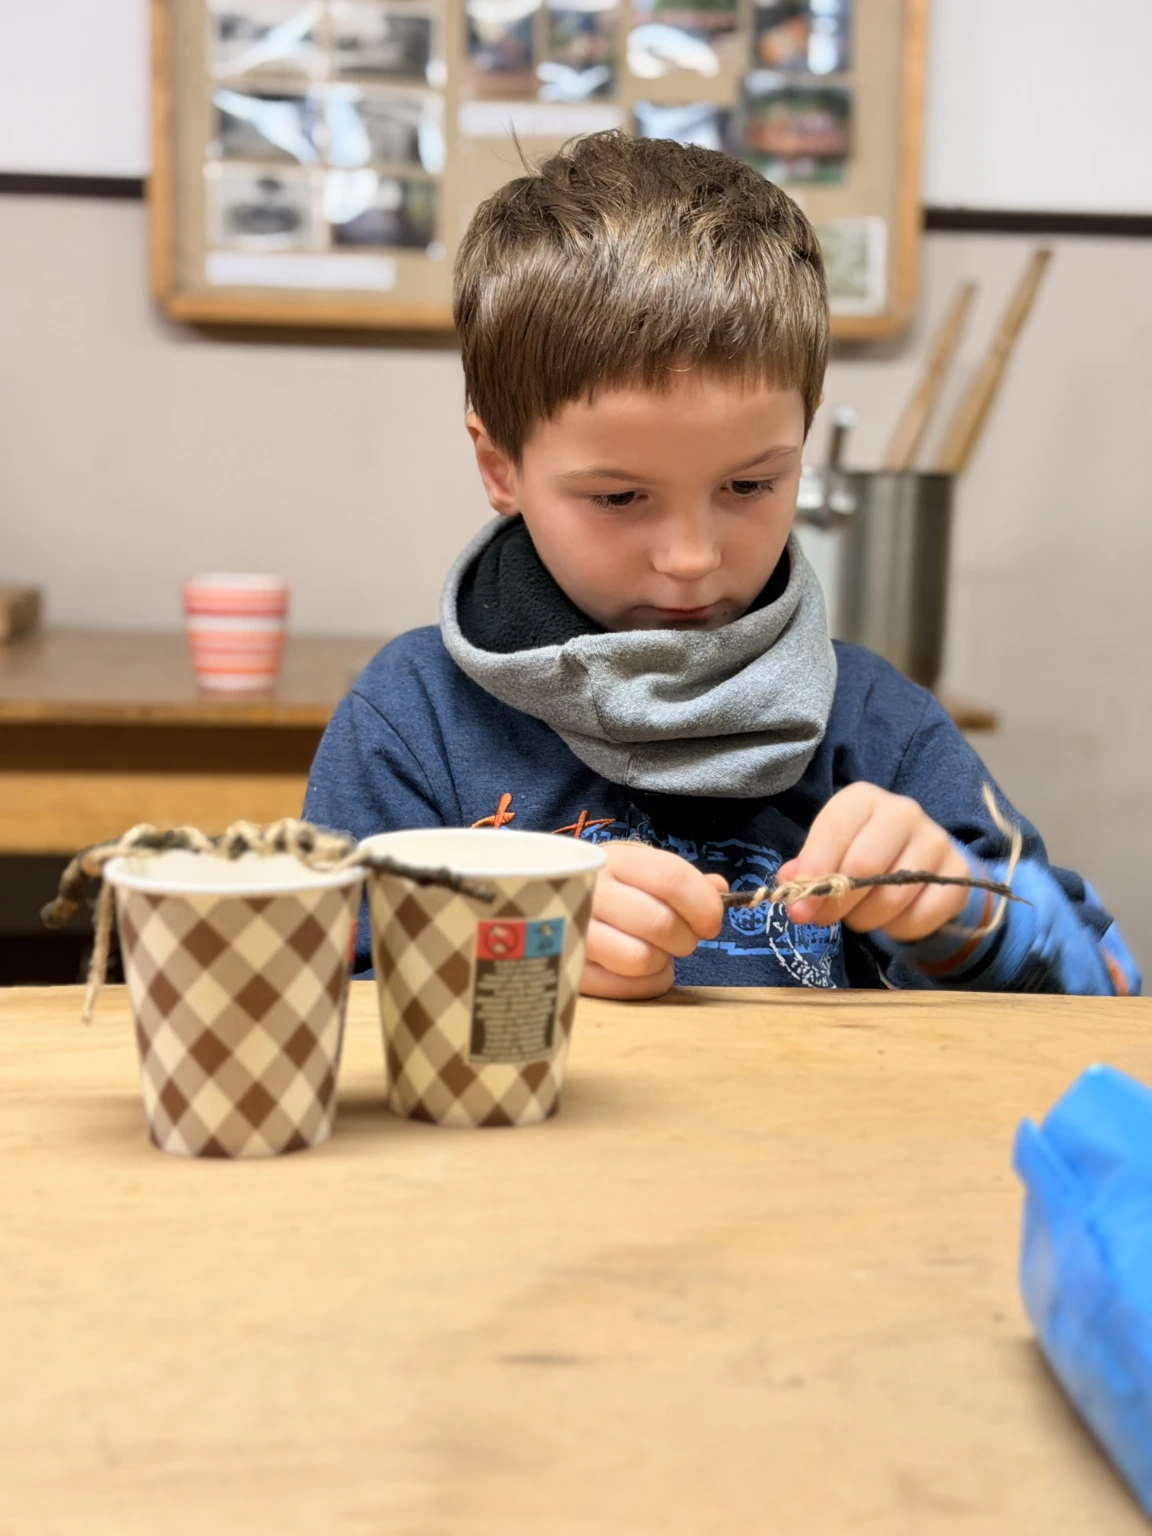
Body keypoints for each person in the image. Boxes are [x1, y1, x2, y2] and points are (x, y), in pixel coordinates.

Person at [304, 132, 1139, 1000]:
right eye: (619, 497)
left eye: (749, 485)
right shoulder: (414, 720)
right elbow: (319, 1003)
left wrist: (963, 916)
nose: (691, 559)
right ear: (501, 467)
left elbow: (1107, 993)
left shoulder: (876, 727)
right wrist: (513, 950)